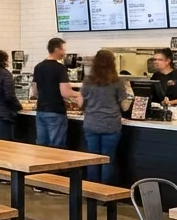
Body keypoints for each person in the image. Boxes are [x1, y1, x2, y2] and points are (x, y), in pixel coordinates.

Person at [66, 50, 130, 184]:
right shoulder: (117, 82)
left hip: (91, 124)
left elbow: (80, 102)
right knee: (108, 159)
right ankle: (105, 193)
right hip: (111, 125)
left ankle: (92, 191)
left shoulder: (88, 81)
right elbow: (125, 107)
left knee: (93, 158)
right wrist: (128, 96)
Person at [31, 38, 72, 148]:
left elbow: (34, 91)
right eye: (63, 49)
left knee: (41, 145)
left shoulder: (38, 67)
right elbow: (65, 93)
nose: (65, 53)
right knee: (56, 146)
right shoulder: (60, 68)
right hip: (56, 111)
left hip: (41, 111)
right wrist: (79, 95)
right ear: (57, 49)